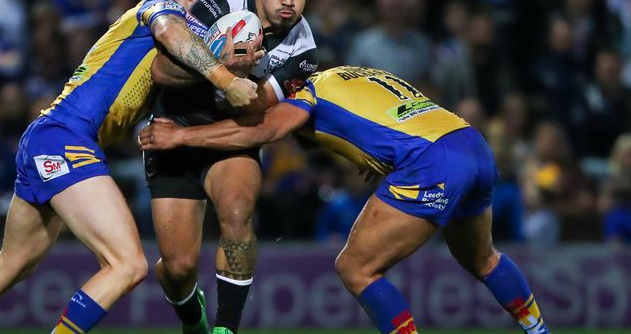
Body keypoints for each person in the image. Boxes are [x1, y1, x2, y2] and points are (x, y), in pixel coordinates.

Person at [0, 0, 261, 334]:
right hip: (66, 139)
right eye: (211, 2)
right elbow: (173, 32)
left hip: (47, 136)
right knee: (128, 264)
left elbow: (173, 72)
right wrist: (226, 79)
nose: (215, 16)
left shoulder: (169, 53)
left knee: (14, 260)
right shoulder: (161, 9)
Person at [140, 65, 550, 334]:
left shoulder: (306, 93)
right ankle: (538, 330)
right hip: (469, 144)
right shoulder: (358, 73)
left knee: (356, 269)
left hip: (430, 163)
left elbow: (260, 132)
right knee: (484, 258)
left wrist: (180, 136)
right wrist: (378, 155)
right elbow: (391, 117)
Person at [145, 0, 318, 334]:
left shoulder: (303, 49)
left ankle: (226, 329)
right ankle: (194, 320)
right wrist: (221, 68)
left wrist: (240, 78)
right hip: (175, 118)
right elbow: (162, 72)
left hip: (228, 135)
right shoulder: (219, 1)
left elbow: (255, 114)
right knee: (177, 268)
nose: (288, 0)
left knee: (238, 213)